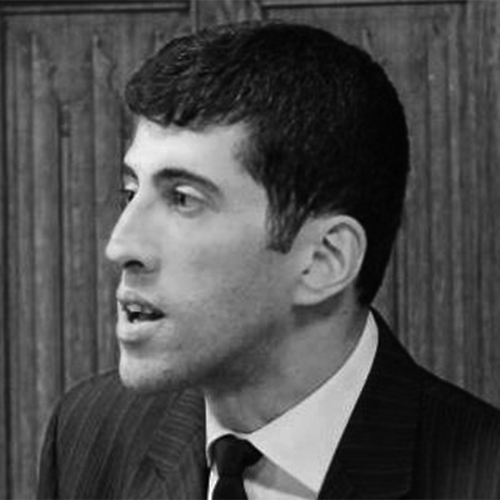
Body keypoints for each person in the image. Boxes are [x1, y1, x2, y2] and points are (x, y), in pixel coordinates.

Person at [37, 21, 500, 500]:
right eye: (130, 192)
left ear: (324, 260)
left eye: (183, 199)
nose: (120, 245)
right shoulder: (87, 432)